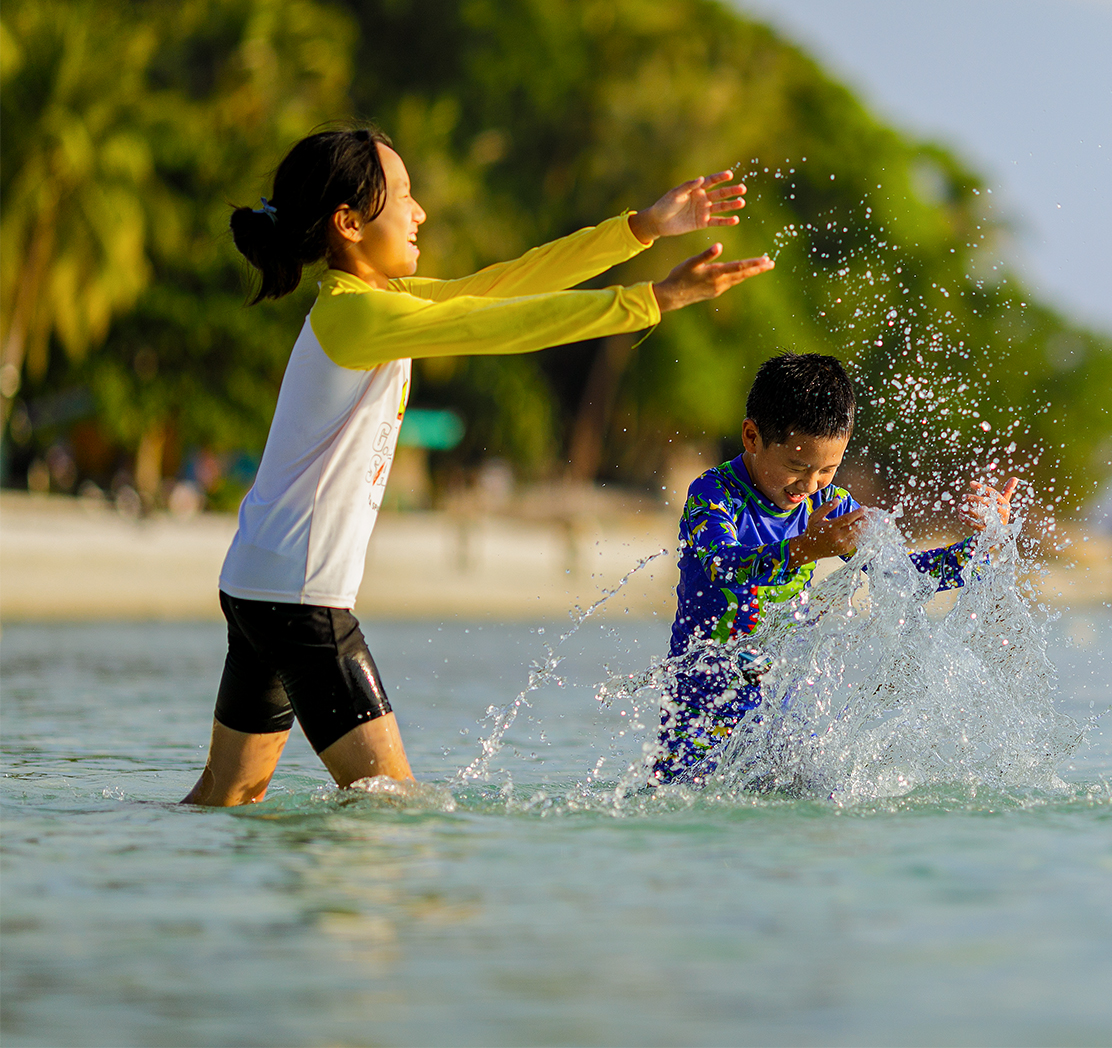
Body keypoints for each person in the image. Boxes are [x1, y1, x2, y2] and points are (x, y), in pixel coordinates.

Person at [184, 126, 774, 805]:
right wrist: (654, 300)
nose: (419, 212)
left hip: (259, 584)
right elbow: (495, 326)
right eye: (403, 196)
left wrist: (639, 229)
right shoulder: (357, 316)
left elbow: (500, 287)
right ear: (348, 223)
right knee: (394, 807)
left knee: (225, 796)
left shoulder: (367, 307)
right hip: (300, 599)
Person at [655, 352, 1017, 784]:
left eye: (828, 469)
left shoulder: (830, 507)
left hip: (778, 707)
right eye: (796, 466)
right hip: (701, 700)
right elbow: (721, 567)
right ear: (752, 436)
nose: (809, 485)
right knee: (684, 800)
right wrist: (805, 549)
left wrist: (984, 546)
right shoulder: (714, 493)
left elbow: (907, 577)